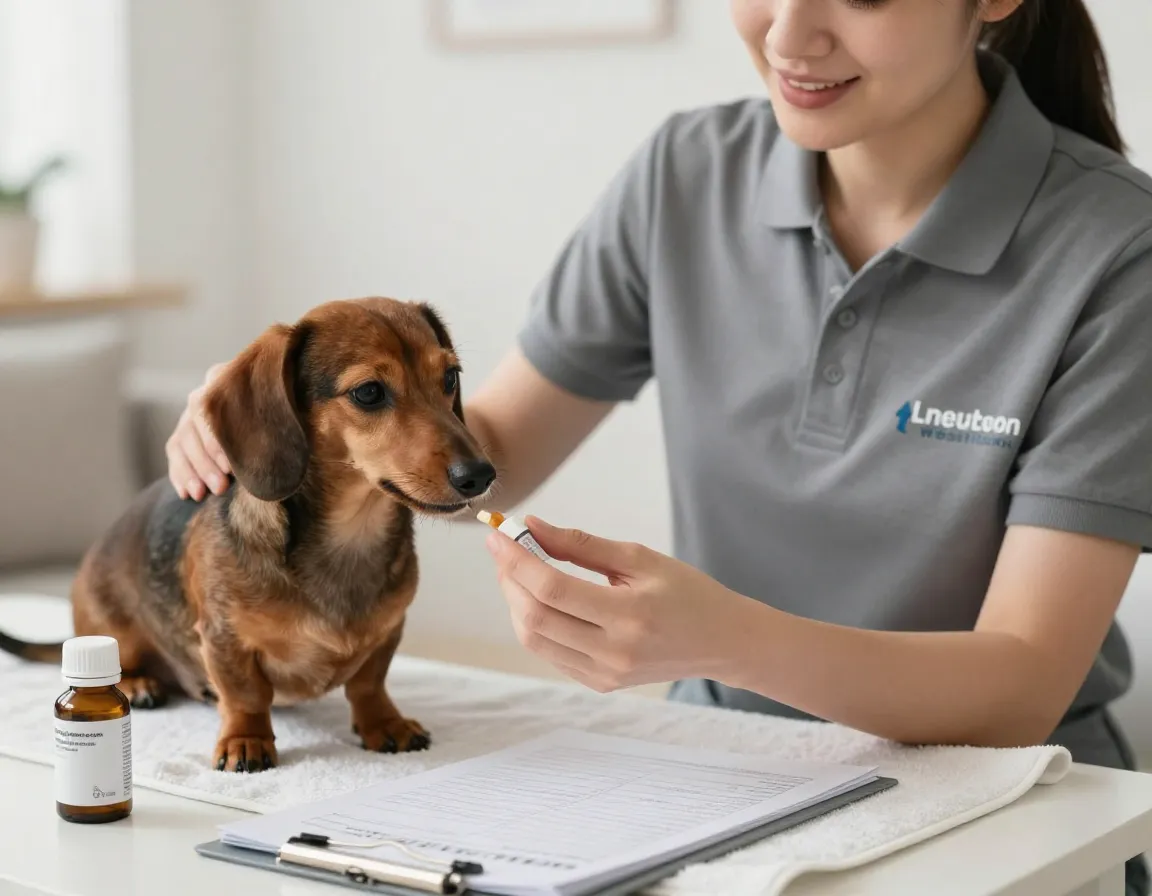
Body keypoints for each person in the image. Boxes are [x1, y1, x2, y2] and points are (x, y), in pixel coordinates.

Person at [167, 1, 1152, 890]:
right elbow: (484, 460)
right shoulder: (684, 176)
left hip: (1011, 808)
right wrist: (272, 417)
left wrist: (726, 637)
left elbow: (1025, 684)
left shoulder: (1118, 252)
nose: (788, 34)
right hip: (710, 775)